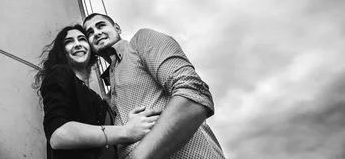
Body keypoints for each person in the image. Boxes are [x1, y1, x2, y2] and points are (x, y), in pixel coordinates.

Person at [83, 14, 225, 159]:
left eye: (101, 26)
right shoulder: (109, 91)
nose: (97, 33)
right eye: (90, 33)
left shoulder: (141, 41)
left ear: (117, 28)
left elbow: (194, 93)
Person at [34, 24, 160, 159]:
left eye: (82, 39)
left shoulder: (99, 99)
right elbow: (58, 134)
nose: (77, 44)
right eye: (69, 41)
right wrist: (126, 131)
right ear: (62, 51)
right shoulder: (60, 73)